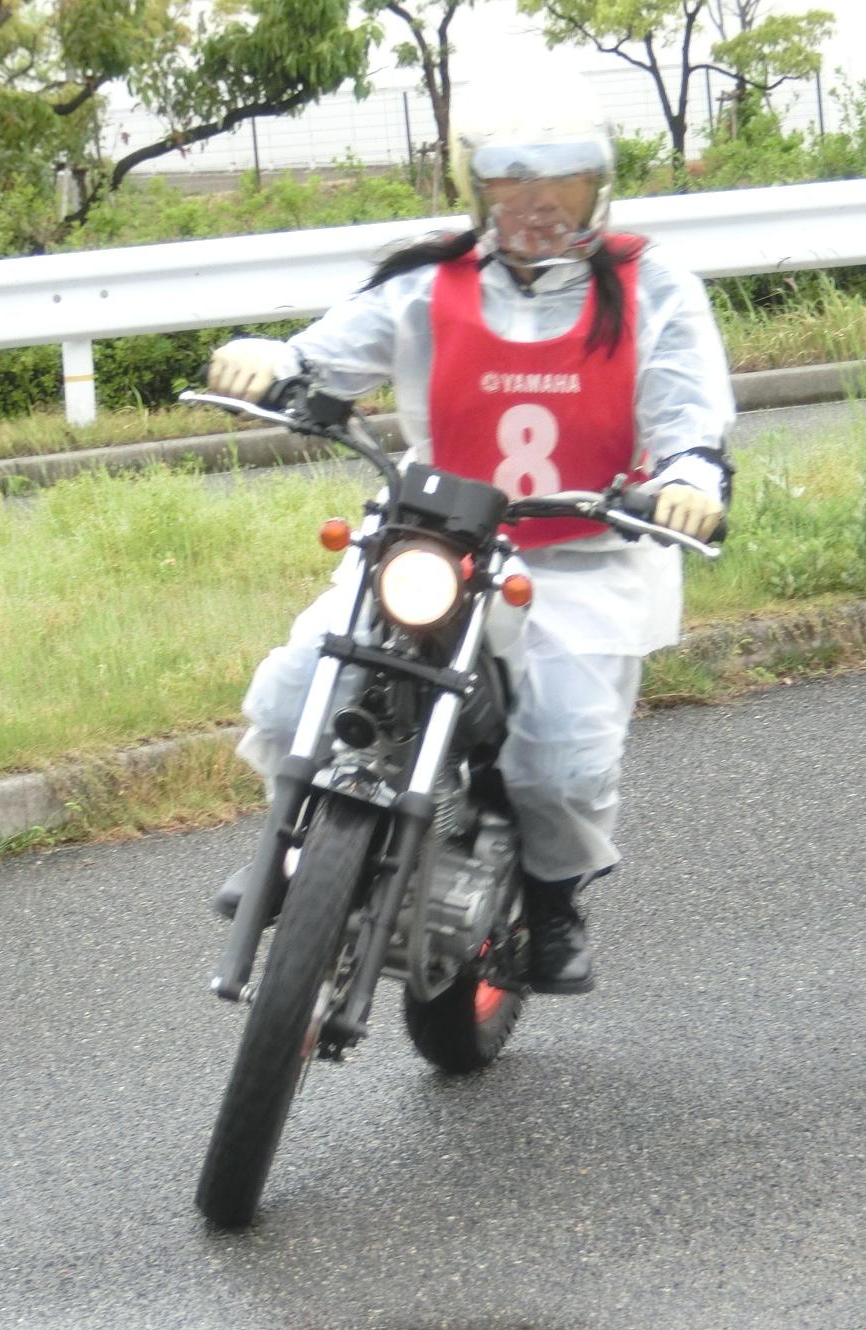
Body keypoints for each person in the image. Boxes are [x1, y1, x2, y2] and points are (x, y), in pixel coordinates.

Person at [205, 67, 736, 995]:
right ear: (480, 190)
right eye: (513, 186)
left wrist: (689, 477)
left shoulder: (654, 288)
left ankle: (553, 895)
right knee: (298, 690)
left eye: (561, 186)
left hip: (582, 555)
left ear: (596, 188)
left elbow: (691, 415)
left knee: (560, 760)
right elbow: (327, 352)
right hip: (432, 541)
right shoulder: (428, 280)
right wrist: (275, 361)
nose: (537, 207)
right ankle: (293, 845)